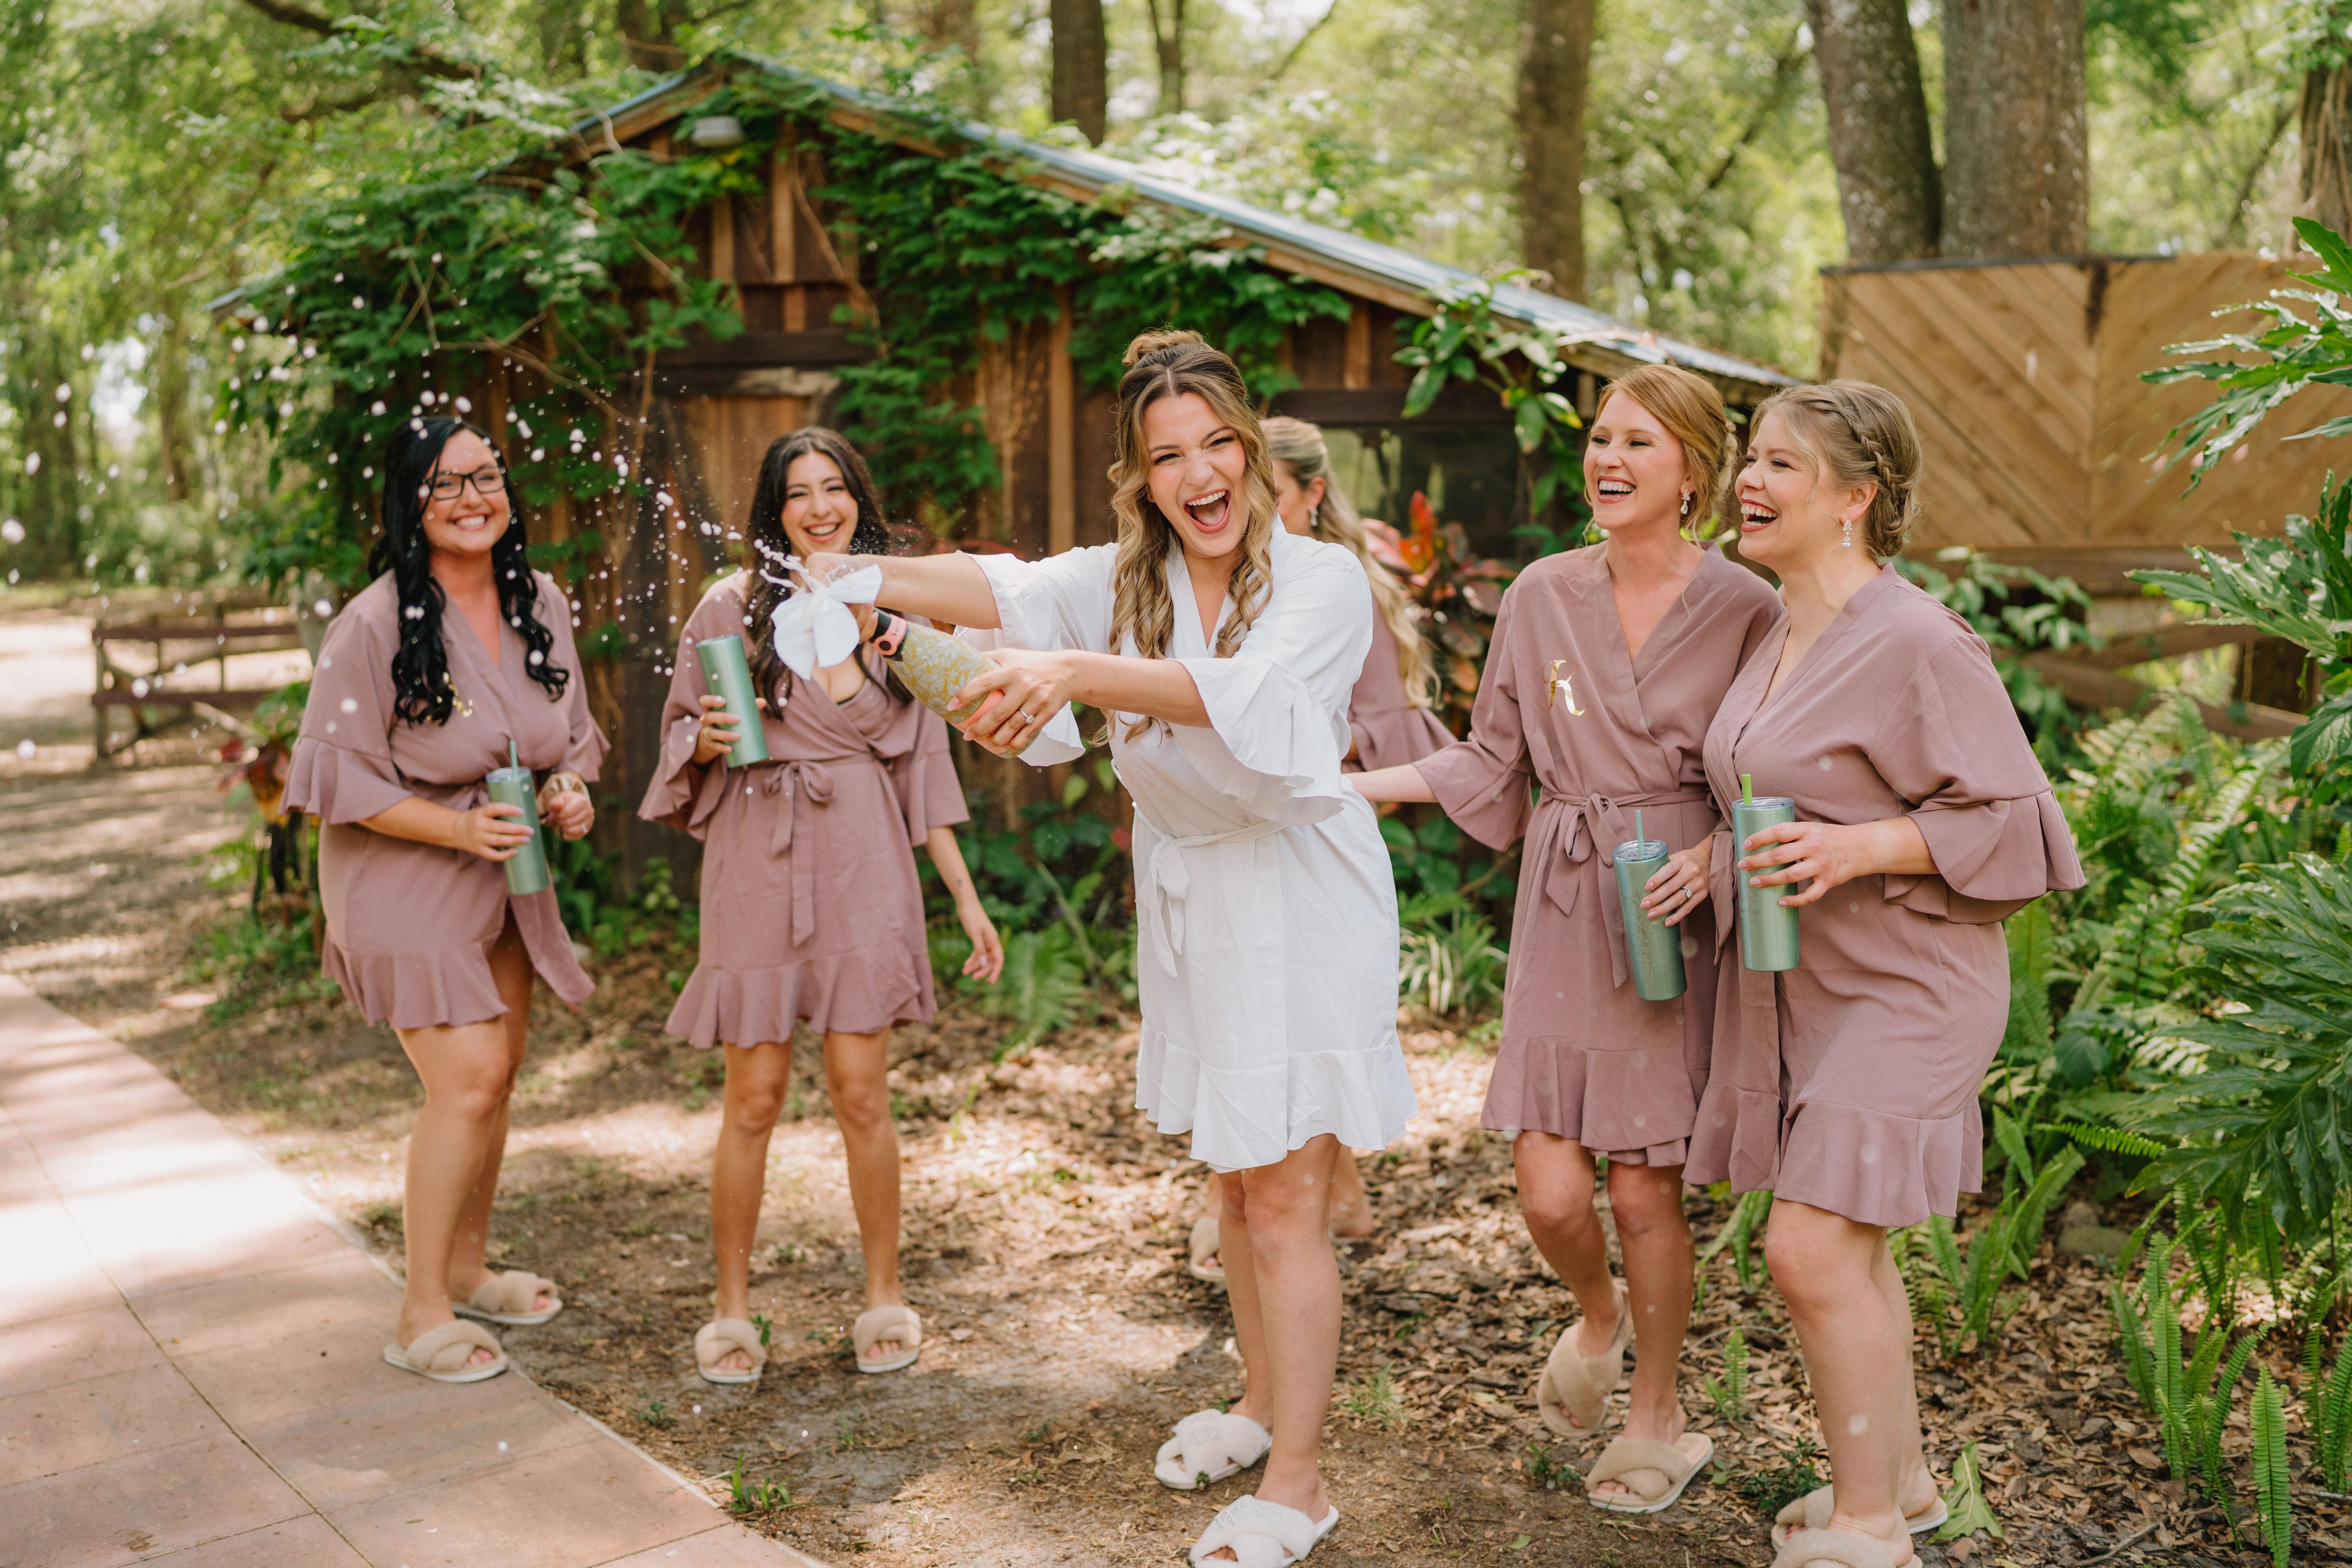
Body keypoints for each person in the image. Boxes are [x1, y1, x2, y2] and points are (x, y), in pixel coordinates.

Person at [807, 330, 1414, 1566]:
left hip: (1299, 899)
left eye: (1218, 445)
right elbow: (1003, 589)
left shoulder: (1323, 581)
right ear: (1142, 479)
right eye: (1168, 457)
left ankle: (1300, 1485)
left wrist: (1075, 673)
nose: (1200, 475)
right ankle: (1259, 1404)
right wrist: (855, 575)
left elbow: (1250, 699)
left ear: (1253, 453)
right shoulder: (1128, 579)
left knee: (1288, 1195)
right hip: (1195, 900)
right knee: (1236, 1178)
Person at [1684, 382, 2082, 1568]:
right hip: (1812, 987)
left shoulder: (1919, 640)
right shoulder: (1775, 629)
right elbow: (1772, 790)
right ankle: (1897, 1488)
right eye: (1752, 458)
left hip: (1915, 986)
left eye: (1782, 466)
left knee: (1807, 1249)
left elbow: (2021, 826)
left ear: (1856, 498)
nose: (1750, 481)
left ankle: (1869, 1534)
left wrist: (1861, 849)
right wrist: (1710, 857)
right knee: (1847, 1251)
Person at [639, 428, 1002, 1387]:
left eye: (833, 488)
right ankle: (731, 1308)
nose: (818, 508)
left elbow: (924, 761)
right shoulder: (727, 608)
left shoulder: (893, 607)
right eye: (797, 493)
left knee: (860, 1092)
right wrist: (704, 742)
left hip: (862, 858)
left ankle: (884, 1293)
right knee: (753, 1098)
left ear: (857, 502)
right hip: (755, 852)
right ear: (775, 512)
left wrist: (966, 901)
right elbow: (679, 741)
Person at [284, 415, 604, 1384]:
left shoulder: (538, 599)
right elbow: (337, 782)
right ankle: (421, 1311)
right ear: (410, 503)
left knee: (498, 1076)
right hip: (399, 873)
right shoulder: (372, 623)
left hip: (506, 875)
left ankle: (467, 1269)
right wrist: (458, 831)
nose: (473, 498)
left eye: (487, 477)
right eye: (447, 483)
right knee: (468, 1078)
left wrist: (568, 789)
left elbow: (570, 736)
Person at [1184, 415, 1451, 1285]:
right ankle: (1294, 1200)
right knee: (1251, 1033)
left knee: (1293, 1035)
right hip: (1231, 844)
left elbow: (1387, 731)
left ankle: (1264, 1204)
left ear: (1312, 494)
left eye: (1270, 491)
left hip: (1313, 835)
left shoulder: (1339, 588)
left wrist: (1308, 761)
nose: (1247, 507)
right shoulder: (1224, 585)